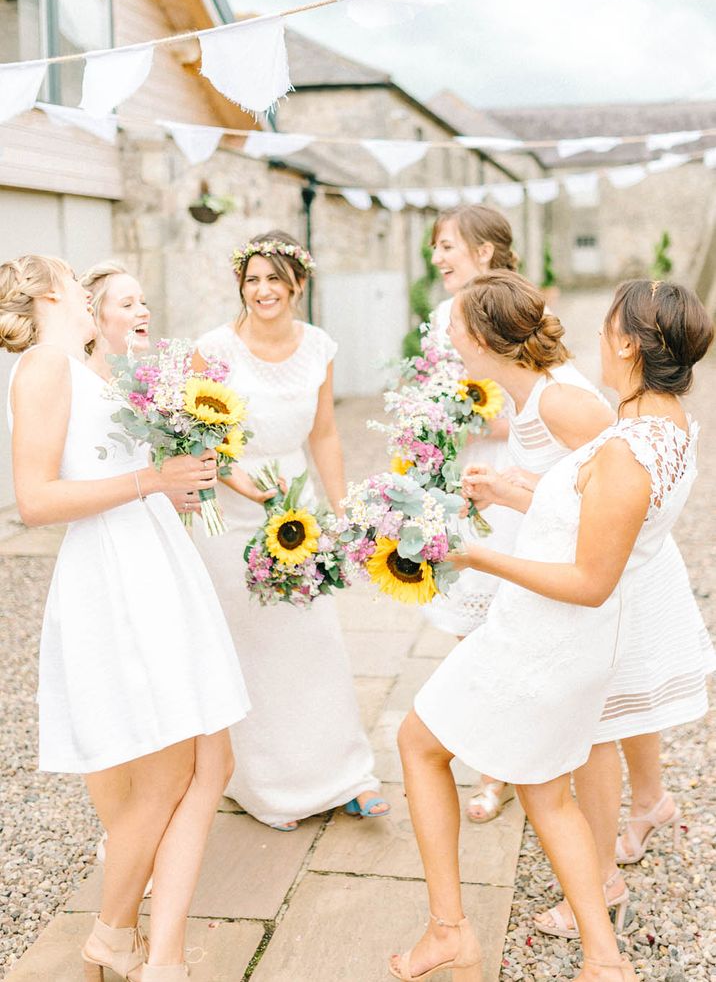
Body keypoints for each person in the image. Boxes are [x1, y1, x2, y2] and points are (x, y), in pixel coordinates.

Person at [389, 277, 712, 982]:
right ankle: (604, 960)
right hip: (555, 641)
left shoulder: (628, 450)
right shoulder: (665, 429)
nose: (593, 339)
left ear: (628, 343)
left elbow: (593, 581)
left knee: (417, 743)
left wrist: (475, 553)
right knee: (545, 791)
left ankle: (450, 930)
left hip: (545, 641)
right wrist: (511, 491)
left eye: (605, 328)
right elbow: (591, 513)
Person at [1, 254, 252, 982]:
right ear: (52, 293)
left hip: (152, 556)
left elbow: (98, 471)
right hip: (115, 574)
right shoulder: (44, 366)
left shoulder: (84, 369)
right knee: (171, 767)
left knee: (208, 759)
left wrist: (167, 488)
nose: (85, 288)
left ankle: (147, 946)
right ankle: (116, 933)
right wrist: (150, 480)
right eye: (76, 282)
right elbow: (35, 499)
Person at [192, 232, 388, 830]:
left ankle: (343, 775)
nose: (262, 290)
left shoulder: (319, 347)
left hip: (296, 513)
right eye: (252, 279)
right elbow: (199, 438)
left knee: (314, 640)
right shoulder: (214, 350)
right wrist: (239, 480)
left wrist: (341, 510)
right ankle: (263, 784)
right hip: (231, 516)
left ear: (297, 284)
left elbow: (324, 433)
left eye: (274, 278)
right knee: (248, 647)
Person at [424, 205, 523, 825]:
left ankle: (508, 767)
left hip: (512, 471)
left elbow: (544, 402)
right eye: (435, 247)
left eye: (447, 245)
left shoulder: (518, 308)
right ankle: (491, 762)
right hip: (461, 476)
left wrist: (489, 419)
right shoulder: (440, 317)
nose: (437, 258)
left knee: (512, 623)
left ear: (485, 252)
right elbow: (432, 392)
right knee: (468, 631)